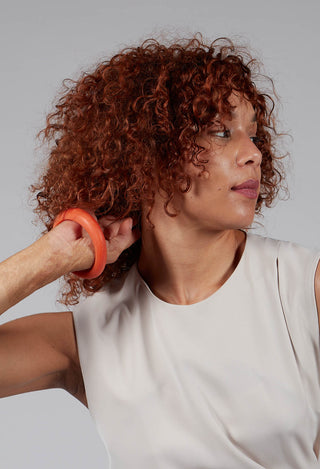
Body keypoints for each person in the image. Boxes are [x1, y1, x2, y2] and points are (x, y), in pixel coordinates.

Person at [0, 35, 319, 468]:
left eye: (254, 135)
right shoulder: (88, 336)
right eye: (221, 133)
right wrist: (50, 257)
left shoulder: (302, 289)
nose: (253, 155)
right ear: (151, 153)